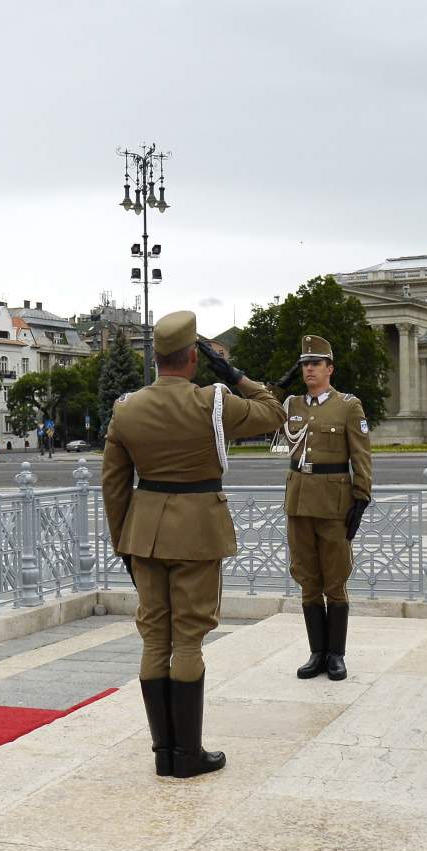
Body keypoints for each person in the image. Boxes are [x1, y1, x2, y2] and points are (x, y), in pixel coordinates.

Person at [102, 311, 285, 778]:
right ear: (191, 357)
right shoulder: (213, 404)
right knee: (187, 638)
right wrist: (237, 376)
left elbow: (114, 485)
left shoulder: (127, 409)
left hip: (144, 534)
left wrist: (124, 542)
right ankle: (189, 754)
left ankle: (164, 752)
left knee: (154, 636)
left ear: (157, 358)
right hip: (198, 533)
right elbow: (275, 413)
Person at [280, 335, 373, 681]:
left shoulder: (348, 406)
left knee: (334, 581)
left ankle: (336, 654)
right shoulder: (290, 405)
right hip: (299, 503)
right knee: (306, 579)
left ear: (330, 369)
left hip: (334, 504)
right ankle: (316, 652)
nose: (309, 369)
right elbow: (269, 422)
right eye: (304, 364)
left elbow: (361, 456)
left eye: (315, 363)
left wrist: (361, 498)